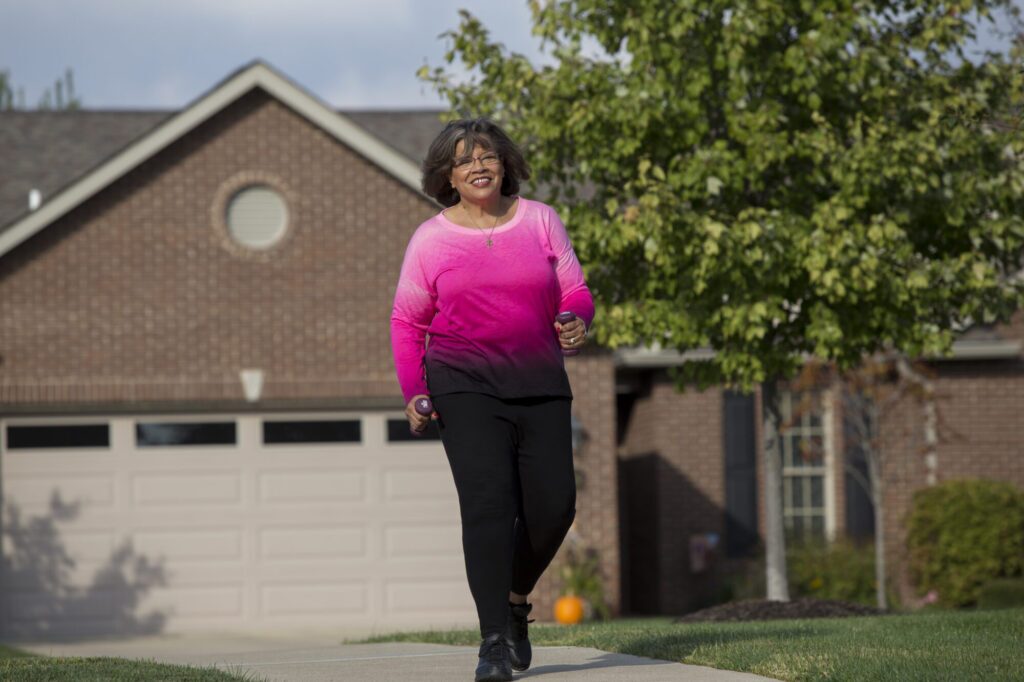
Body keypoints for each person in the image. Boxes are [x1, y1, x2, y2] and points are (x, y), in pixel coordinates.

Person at [390, 117, 593, 682]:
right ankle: (494, 644)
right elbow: (408, 321)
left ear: (505, 164)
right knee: (488, 507)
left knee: (555, 506)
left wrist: (576, 317)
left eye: (487, 156)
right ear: (447, 175)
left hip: (538, 381)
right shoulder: (431, 239)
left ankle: (514, 600)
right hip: (464, 384)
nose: (477, 166)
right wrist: (416, 391)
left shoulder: (541, 222)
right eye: (464, 159)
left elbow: (574, 288)